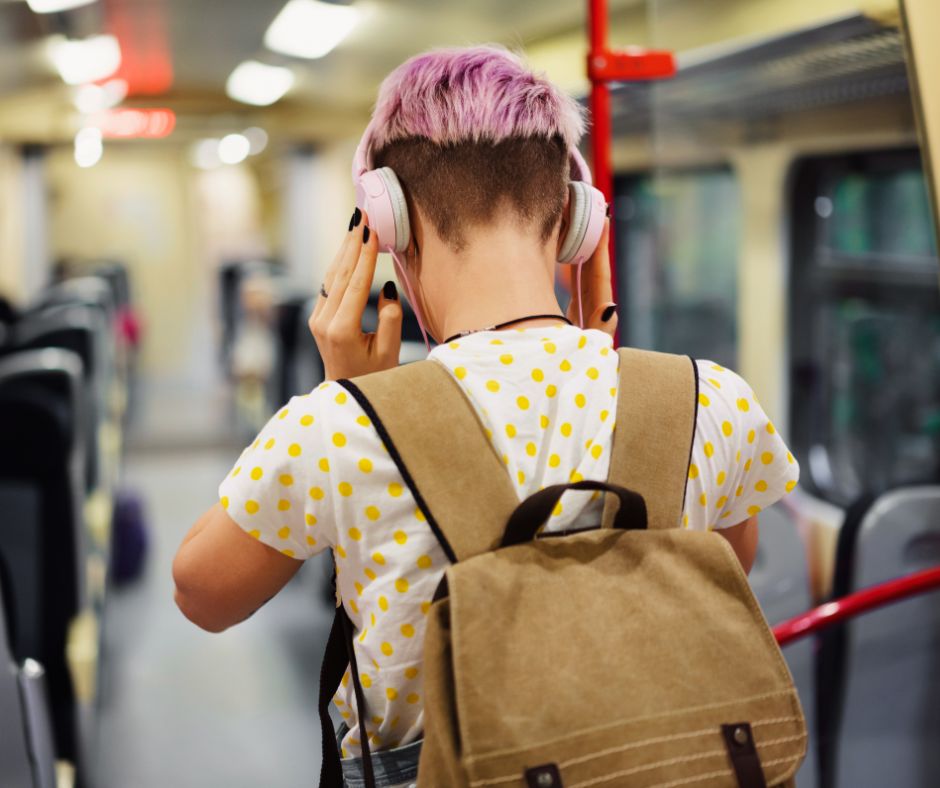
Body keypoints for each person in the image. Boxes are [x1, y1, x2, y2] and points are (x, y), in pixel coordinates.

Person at [173, 45, 800, 787]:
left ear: (389, 225)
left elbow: (202, 593)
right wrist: (609, 379)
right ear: (575, 221)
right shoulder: (707, 399)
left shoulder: (337, 429)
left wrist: (361, 400)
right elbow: (725, 566)